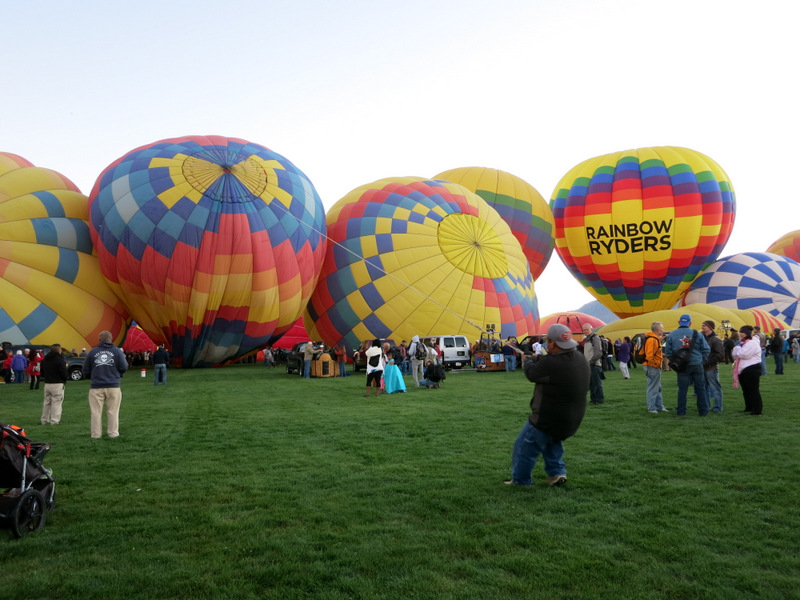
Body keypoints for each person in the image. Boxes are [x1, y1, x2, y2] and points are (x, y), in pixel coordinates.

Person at [505, 324, 590, 487]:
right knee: (552, 440)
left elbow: (532, 374)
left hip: (546, 417)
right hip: (571, 418)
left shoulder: (552, 364)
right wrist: (535, 357)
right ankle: (557, 473)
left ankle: (521, 481)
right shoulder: (579, 358)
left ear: (552, 343)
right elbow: (552, 363)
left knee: (525, 446)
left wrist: (528, 361)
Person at [83, 330, 129, 438]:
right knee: (113, 411)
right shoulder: (117, 351)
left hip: (96, 386)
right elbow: (124, 366)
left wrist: (93, 377)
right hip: (113, 385)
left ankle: (96, 434)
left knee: (95, 412)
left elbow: (85, 369)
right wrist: (117, 373)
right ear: (111, 339)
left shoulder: (92, 352)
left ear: (99, 340)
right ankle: (113, 433)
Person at [664, 314, 711, 417]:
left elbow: (668, 352)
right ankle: (703, 412)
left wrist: (676, 361)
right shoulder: (697, 334)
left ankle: (681, 412)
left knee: (682, 390)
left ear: (678, 322)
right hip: (697, 364)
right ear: (690, 323)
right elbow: (706, 349)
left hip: (682, 366)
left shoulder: (672, 335)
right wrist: (701, 360)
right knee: (700, 389)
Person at [731, 325, 763, 415]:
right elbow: (734, 355)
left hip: (752, 368)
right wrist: (737, 350)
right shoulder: (743, 343)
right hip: (743, 369)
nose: (740, 334)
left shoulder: (752, 343)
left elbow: (744, 354)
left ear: (747, 334)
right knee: (746, 390)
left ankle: (757, 409)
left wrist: (737, 349)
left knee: (753, 390)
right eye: (740, 332)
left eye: (742, 332)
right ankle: (749, 407)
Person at [643, 322, 668, 413]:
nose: (663, 330)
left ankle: (659, 406)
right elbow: (649, 356)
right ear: (657, 330)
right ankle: (652, 408)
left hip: (654, 366)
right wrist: (655, 363)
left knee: (658, 387)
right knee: (653, 388)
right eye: (662, 328)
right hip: (652, 366)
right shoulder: (652, 340)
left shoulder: (655, 339)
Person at [40, 344, 68, 425]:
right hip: (57, 383)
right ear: (59, 350)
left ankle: (44, 420)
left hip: (47, 383)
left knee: (46, 402)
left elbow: (41, 373)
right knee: (56, 402)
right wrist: (64, 379)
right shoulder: (60, 360)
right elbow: (63, 372)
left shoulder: (44, 360)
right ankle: (54, 421)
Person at [701, 320, 725, 413]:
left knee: (715, 388)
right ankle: (706, 406)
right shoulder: (702, 338)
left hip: (711, 367)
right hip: (703, 366)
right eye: (702, 325)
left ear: (710, 327)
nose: (703, 327)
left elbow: (720, 355)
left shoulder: (716, 339)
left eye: (705, 325)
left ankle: (718, 407)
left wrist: (709, 362)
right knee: (704, 388)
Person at [581, 323, 604, 405]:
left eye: (587, 329)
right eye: (584, 330)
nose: (585, 331)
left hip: (594, 364)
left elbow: (598, 352)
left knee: (597, 383)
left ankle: (599, 399)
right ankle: (593, 399)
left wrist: (591, 362)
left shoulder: (595, 338)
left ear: (591, 329)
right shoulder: (587, 339)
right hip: (589, 364)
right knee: (591, 383)